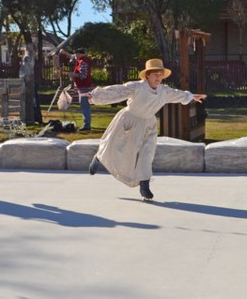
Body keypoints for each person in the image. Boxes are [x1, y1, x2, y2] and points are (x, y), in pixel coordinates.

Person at [82, 58, 206, 200]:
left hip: (148, 125)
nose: (158, 78)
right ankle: (99, 158)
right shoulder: (137, 87)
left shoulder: (164, 91)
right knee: (113, 145)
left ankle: (144, 184)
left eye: (160, 75)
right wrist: (96, 96)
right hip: (129, 120)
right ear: (147, 75)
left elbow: (177, 94)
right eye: (155, 75)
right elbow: (118, 91)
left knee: (147, 153)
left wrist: (190, 96)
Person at [69, 48, 94, 131]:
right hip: (84, 87)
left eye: (76, 54)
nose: (75, 56)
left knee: (85, 106)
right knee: (85, 105)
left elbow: (83, 75)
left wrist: (73, 74)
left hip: (85, 88)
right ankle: (87, 124)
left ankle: (87, 125)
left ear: (79, 54)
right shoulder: (82, 60)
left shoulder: (83, 62)